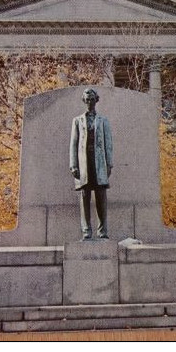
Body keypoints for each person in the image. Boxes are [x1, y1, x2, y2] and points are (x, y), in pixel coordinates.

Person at [69, 88, 113, 239]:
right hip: (83, 162)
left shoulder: (103, 121)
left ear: (96, 100)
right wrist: (73, 165)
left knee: (101, 196)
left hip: (99, 162)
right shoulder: (77, 121)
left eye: (92, 99)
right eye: (87, 99)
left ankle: (102, 232)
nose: (90, 102)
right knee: (84, 196)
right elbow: (73, 144)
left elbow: (108, 144)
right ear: (84, 101)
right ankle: (86, 231)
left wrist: (109, 164)